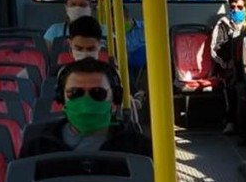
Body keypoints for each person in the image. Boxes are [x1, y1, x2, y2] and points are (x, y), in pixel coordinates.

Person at [19, 58, 151, 158]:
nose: (86, 102)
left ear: (114, 97)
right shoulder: (38, 146)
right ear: (62, 97)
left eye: (98, 93)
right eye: (75, 93)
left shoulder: (138, 148)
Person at [210, 0, 246, 135]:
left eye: (240, 7)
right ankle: (231, 120)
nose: (236, 10)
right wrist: (226, 63)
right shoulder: (223, 25)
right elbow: (215, 48)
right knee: (231, 85)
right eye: (233, 7)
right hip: (229, 66)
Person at [122, 7, 146, 88]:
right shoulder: (119, 32)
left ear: (127, 17)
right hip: (126, 60)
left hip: (142, 59)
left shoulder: (144, 27)